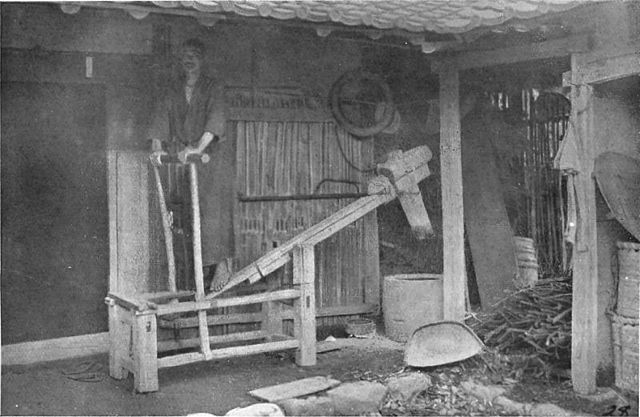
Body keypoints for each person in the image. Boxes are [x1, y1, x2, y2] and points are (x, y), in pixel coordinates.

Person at [149, 38, 232, 292]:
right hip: (183, 159)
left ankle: (221, 264)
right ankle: (194, 270)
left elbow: (216, 120)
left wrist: (198, 148)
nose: (189, 59)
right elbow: (159, 120)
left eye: (194, 54)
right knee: (184, 213)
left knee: (211, 210)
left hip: (210, 158)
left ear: (202, 60)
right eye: (185, 55)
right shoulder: (172, 90)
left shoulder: (212, 87)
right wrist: (156, 147)